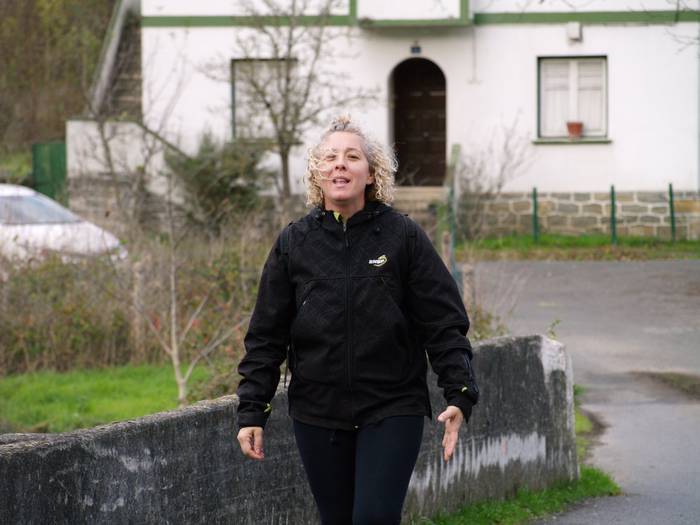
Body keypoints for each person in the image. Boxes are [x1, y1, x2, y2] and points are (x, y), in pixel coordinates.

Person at [236, 115, 479, 525]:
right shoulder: (294, 243)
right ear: (317, 172)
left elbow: (442, 322)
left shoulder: (403, 237)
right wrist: (251, 411)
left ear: (371, 173)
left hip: (392, 405)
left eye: (352, 157)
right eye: (330, 157)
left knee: (374, 516)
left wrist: (459, 392)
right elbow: (266, 335)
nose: (340, 164)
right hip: (317, 412)